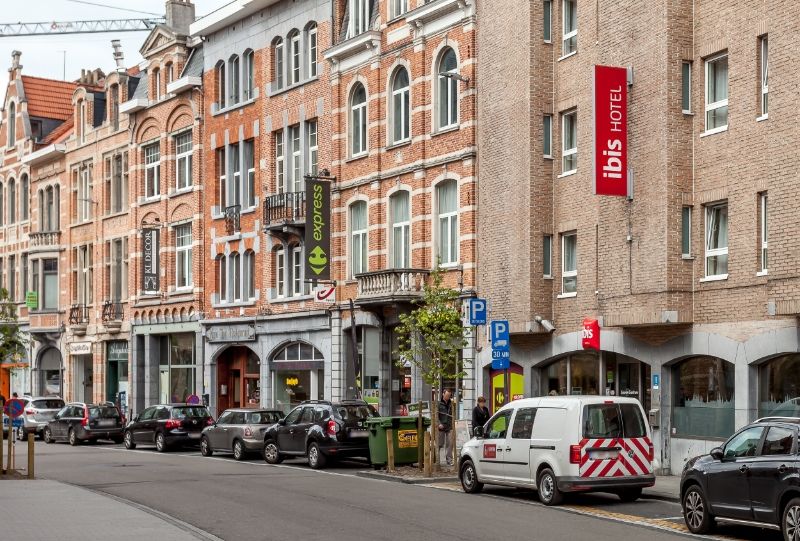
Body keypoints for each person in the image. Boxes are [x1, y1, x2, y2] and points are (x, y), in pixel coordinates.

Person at [437, 389, 454, 466]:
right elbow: (435, 415)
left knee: (450, 443)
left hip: (449, 426)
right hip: (441, 426)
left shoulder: (451, 403)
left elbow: (453, 414)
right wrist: (438, 424)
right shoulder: (438, 404)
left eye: (449, 396)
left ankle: (449, 460)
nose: (448, 397)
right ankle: (437, 460)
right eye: (446, 395)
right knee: (439, 443)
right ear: (443, 394)